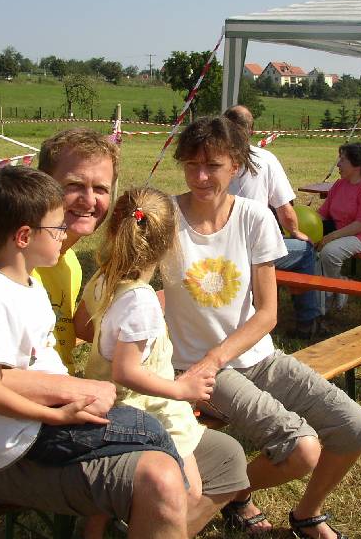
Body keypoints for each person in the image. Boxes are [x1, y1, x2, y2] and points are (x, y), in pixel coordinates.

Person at [0, 129, 241, 538]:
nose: (89, 199)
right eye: (74, 185)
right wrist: (71, 392)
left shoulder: (65, 264)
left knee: (227, 459)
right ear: (43, 186)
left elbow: (81, 335)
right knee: (160, 476)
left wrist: (145, 323)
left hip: (53, 423)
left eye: (100, 189)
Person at [163, 116, 361, 539]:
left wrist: (216, 356)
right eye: (191, 165)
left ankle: (305, 514)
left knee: (355, 428)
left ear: (236, 164)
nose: (201, 177)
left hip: (254, 357)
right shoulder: (165, 217)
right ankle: (228, 498)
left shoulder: (254, 217)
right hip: (195, 370)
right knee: (301, 450)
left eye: (213, 165)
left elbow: (267, 314)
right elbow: (130, 277)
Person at [0, 167, 183, 482]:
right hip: (31, 434)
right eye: (58, 227)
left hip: (50, 417)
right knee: (150, 431)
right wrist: (59, 415)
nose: (65, 234)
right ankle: (182, 501)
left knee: (143, 429)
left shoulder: (29, 285)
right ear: (24, 237)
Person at [79, 187, 250, 536]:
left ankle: (95, 527)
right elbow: (125, 371)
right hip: (148, 411)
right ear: (171, 240)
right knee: (190, 492)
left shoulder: (103, 277)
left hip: (110, 404)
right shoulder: (141, 302)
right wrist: (181, 389)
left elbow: (83, 326)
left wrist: (120, 331)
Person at [224, 105, 321, 340]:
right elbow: (285, 210)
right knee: (306, 251)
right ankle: (308, 321)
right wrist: (295, 232)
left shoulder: (212, 159)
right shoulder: (265, 159)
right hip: (251, 251)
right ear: (251, 130)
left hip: (220, 246)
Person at [316, 142, 361, 318]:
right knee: (310, 249)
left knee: (329, 252)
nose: (338, 164)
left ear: (357, 164)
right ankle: (332, 287)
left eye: (343, 160)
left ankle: (333, 290)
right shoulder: (339, 184)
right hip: (340, 231)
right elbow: (322, 213)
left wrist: (331, 236)